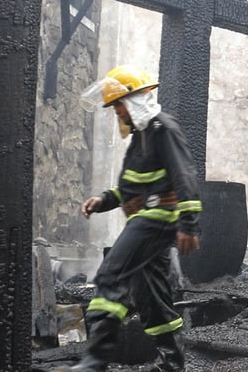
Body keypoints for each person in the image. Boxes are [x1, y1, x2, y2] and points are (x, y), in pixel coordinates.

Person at [67, 65, 202, 372]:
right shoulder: (140, 138)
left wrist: (188, 223)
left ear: (134, 100)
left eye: (118, 104)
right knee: (150, 295)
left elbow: (184, 175)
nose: (117, 111)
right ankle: (172, 364)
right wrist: (103, 201)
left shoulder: (162, 128)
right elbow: (130, 187)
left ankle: (95, 361)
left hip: (159, 217)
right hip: (146, 219)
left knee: (111, 275)